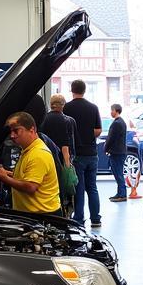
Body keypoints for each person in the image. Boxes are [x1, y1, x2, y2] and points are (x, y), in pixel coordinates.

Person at [0, 112, 61, 215]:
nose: (12, 135)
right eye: (11, 131)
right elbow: (28, 176)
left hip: (43, 216)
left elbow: (31, 187)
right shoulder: (28, 150)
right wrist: (8, 174)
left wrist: (4, 178)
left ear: (32, 130)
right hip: (34, 214)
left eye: (16, 130)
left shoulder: (38, 154)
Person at [63, 79, 102, 228]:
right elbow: (98, 130)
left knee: (78, 188)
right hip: (92, 153)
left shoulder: (67, 108)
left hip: (77, 155)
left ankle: (79, 219)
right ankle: (96, 219)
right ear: (85, 90)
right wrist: (88, 133)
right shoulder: (93, 107)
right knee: (92, 187)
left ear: (72, 90)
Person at [42, 94, 78, 217]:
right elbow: (65, 147)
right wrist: (68, 167)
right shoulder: (67, 120)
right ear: (63, 105)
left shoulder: (43, 119)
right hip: (61, 161)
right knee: (64, 193)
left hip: (46, 160)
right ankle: (64, 217)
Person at [105, 103, 128, 201]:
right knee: (119, 173)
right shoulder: (122, 122)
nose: (111, 112)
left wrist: (106, 148)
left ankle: (122, 194)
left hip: (117, 152)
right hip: (120, 152)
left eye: (112, 110)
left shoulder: (116, 123)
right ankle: (120, 193)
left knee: (118, 173)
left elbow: (111, 138)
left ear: (116, 110)